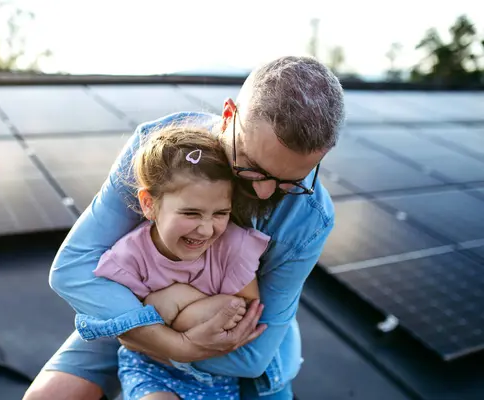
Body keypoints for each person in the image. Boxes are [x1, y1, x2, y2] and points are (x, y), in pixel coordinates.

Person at [23, 55, 345, 400]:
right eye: (252, 167)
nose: (264, 191)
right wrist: (174, 342)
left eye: (289, 182)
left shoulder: (311, 219)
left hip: (224, 343)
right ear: (228, 117)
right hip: (142, 305)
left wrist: (148, 336)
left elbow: (252, 356)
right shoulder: (162, 150)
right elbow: (73, 268)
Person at [95, 125, 271, 399]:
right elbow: (129, 337)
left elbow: (241, 312)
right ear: (149, 204)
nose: (205, 229)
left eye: (220, 213)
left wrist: (172, 302)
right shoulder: (127, 258)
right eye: (190, 213)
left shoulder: (232, 247)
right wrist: (196, 322)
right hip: (152, 366)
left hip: (216, 374)